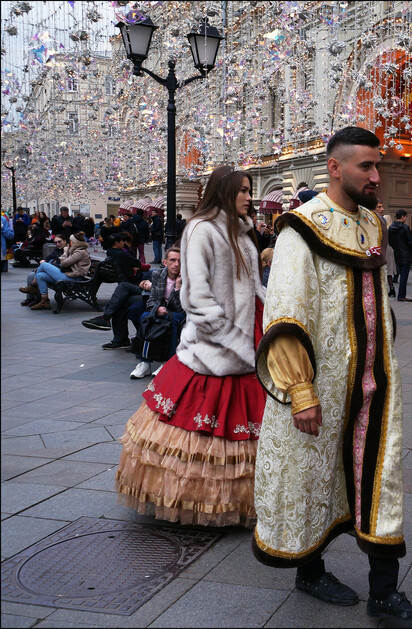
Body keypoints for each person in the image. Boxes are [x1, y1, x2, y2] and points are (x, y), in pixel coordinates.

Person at [253, 127, 412, 621]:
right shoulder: (300, 227)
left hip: (376, 385)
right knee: (312, 477)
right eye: (366, 167)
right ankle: (309, 572)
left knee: (381, 476)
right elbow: (286, 311)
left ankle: (384, 591)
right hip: (322, 386)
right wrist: (300, 389)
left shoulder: (373, 224)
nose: (377, 176)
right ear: (335, 168)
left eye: (378, 166)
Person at [115, 165, 266, 527]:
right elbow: (196, 296)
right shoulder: (202, 229)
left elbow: (254, 286)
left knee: (249, 428)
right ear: (224, 192)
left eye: (250, 190)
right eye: (243, 190)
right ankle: (196, 503)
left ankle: (250, 501)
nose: (249, 197)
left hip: (250, 333)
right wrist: (236, 342)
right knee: (199, 428)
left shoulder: (244, 234)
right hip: (216, 343)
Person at [130, 245, 186, 379]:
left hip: (179, 313)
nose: (176, 264)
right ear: (165, 262)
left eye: (179, 261)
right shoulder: (157, 275)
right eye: (172, 260)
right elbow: (152, 299)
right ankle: (145, 362)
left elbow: (181, 307)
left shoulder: (187, 279)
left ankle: (166, 361)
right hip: (160, 310)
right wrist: (157, 310)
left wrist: (178, 288)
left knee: (171, 321)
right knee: (145, 317)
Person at [28, 231, 92, 310]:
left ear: (74, 242)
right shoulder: (75, 251)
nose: (69, 243)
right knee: (40, 276)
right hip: (69, 275)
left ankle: (33, 286)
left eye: (70, 241)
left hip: (73, 278)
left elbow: (64, 263)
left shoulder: (79, 252)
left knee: (44, 265)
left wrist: (65, 252)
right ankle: (44, 301)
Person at [19, 233, 66, 307]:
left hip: (61, 273)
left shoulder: (67, 251)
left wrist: (48, 266)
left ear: (65, 241)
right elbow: (49, 257)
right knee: (34, 275)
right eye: (56, 242)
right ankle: (33, 298)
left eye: (59, 241)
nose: (57, 244)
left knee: (37, 273)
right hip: (56, 271)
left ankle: (35, 295)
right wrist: (44, 260)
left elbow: (64, 265)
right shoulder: (58, 249)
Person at [388, 208, 412, 302]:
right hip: (405, 254)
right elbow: (410, 242)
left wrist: (396, 248)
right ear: (402, 217)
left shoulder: (391, 228)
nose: (406, 218)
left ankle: (401, 295)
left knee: (399, 273)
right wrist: (410, 251)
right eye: (406, 217)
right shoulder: (405, 228)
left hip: (397, 253)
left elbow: (390, 242)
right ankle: (401, 295)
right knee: (404, 276)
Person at [374, 199, 396, 297]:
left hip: (381, 255)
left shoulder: (382, 220)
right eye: (379, 207)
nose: (382, 209)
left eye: (382, 206)